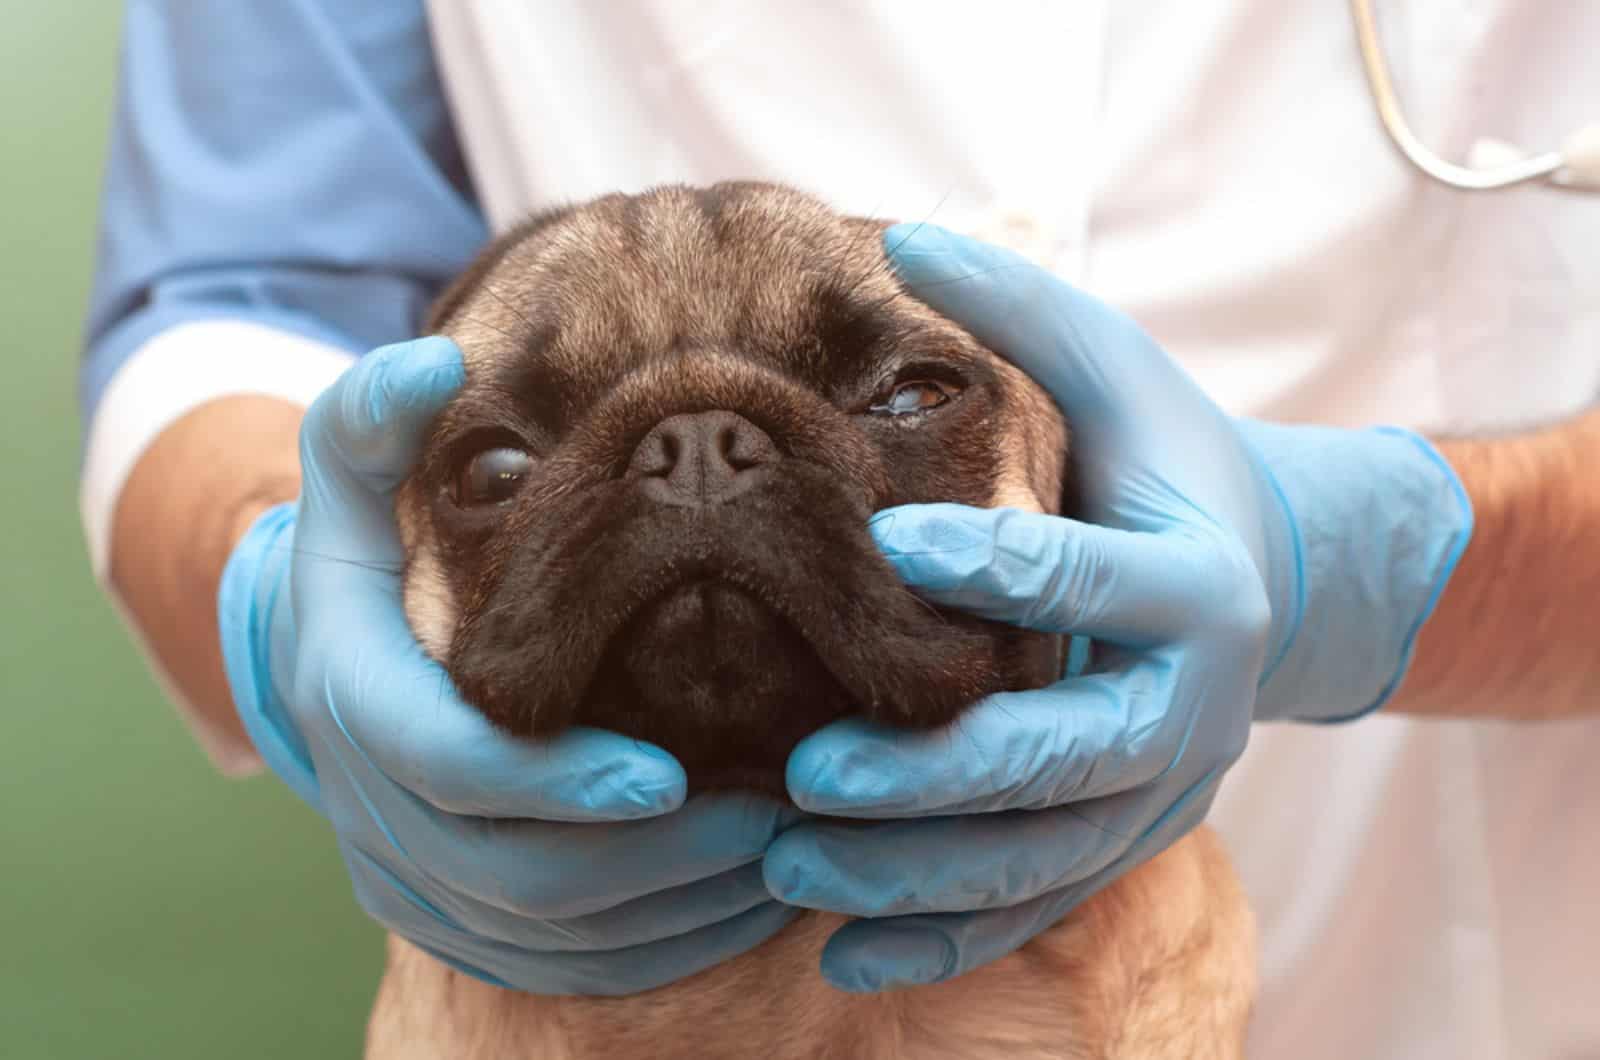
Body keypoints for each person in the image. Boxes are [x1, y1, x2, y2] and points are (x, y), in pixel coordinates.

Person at [81, 4, 1598, 1056]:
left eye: (908, 400)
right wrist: (267, 595)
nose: (699, 468)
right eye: (498, 468)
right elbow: (233, 301)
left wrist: (1364, 554)